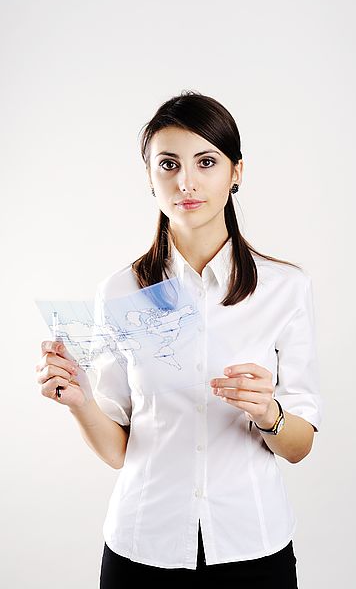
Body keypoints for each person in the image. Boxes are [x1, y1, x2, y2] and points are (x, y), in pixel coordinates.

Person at [35, 90, 323, 588]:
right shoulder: (120, 291)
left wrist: (268, 413)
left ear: (236, 172)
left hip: (252, 547)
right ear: (149, 177)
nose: (185, 182)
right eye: (168, 164)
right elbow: (121, 451)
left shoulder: (286, 289)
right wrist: (80, 401)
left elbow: (299, 447)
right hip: (142, 547)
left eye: (205, 161)